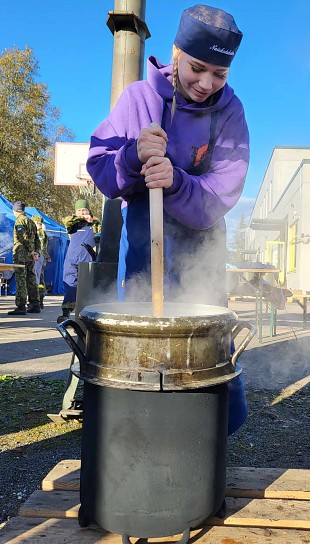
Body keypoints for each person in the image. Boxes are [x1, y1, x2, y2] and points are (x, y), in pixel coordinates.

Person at [86, 4, 249, 434]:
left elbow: (223, 191)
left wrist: (176, 183)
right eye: (198, 68)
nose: (206, 84)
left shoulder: (229, 114)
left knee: (206, 346)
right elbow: (102, 171)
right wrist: (131, 156)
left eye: (220, 74)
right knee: (142, 344)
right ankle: (141, 436)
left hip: (202, 244)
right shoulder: (138, 98)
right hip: (145, 241)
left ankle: (203, 442)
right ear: (176, 52)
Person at [57, 199, 101, 323]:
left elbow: (101, 234)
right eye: (79, 210)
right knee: (70, 285)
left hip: (87, 259)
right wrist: (82, 219)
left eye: (84, 210)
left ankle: (86, 314)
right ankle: (65, 313)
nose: (82, 212)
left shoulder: (95, 223)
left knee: (86, 288)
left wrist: (92, 220)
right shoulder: (72, 223)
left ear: (89, 210)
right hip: (71, 259)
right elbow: (67, 221)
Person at [8, 202, 41, 315]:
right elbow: (37, 239)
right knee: (31, 278)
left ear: (15, 210)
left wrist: (31, 250)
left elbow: (22, 238)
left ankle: (21, 306)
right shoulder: (31, 222)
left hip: (22, 255)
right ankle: (35, 304)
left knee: (21, 279)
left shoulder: (19, 221)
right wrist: (36, 252)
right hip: (31, 256)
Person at [32, 215, 51, 309]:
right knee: (39, 278)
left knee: (36, 278)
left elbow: (42, 246)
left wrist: (39, 255)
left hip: (38, 257)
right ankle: (39, 300)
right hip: (41, 256)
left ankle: (37, 300)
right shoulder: (41, 232)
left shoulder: (40, 232)